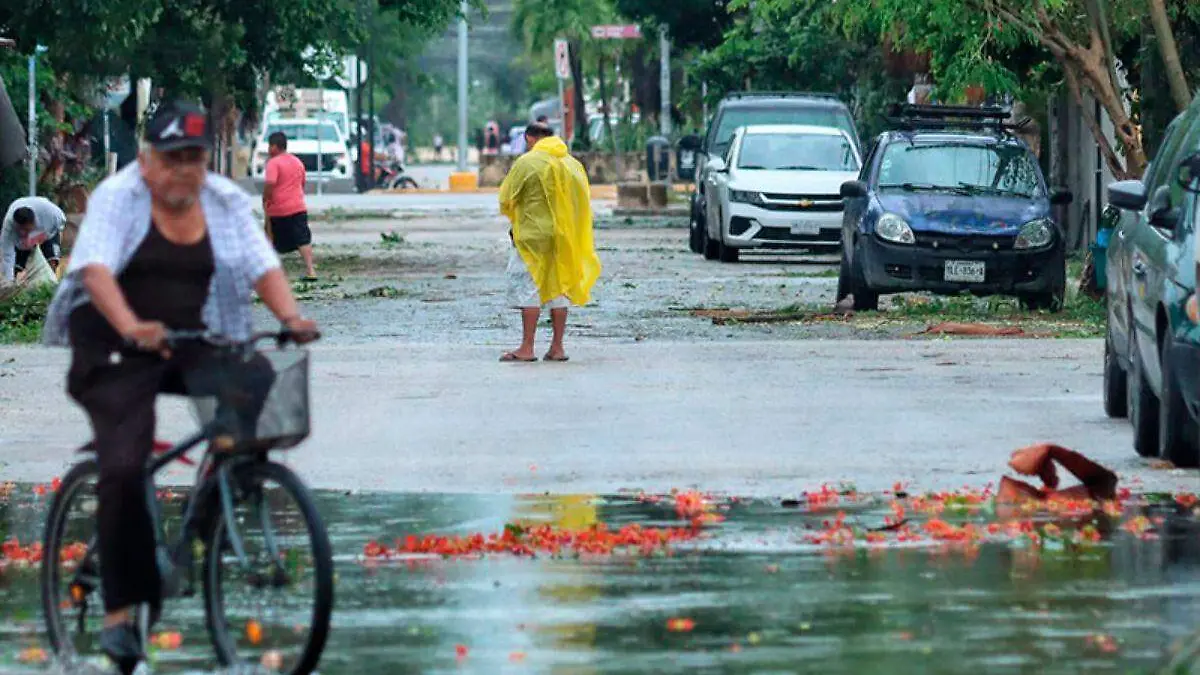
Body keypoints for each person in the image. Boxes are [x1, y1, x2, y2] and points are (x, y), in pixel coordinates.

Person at [41, 100, 318, 674]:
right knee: (124, 464)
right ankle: (120, 614)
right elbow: (94, 268)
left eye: (193, 158)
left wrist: (291, 317)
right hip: (112, 340)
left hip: (187, 334)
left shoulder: (223, 201)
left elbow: (262, 264)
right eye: (172, 158)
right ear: (148, 160)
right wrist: (130, 325)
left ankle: (215, 502)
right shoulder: (120, 196)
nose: (183, 171)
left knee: (256, 377)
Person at [498, 122, 601, 362]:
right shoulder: (571, 164)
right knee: (559, 287)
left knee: (529, 287)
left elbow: (506, 198)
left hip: (532, 234)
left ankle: (527, 348)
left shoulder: (527, 162)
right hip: (563, 235)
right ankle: (557, 347)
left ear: (529, 138)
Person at [263, 131, 316, 280]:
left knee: (271, 238)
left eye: (270, 146)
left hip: (278, 209)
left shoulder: (273, 163)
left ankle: (272, 271)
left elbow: (270, 183)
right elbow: (302, 182)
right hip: (298, 207)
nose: (268, 149)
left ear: (275, 146)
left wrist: (266, 198)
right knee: (303, 239)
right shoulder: (297, 162)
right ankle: (311, 270)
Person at [1, 196, 66, 283]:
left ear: (34, 222)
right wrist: (9, 281)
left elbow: (62, 222)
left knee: (52, 261)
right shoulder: (9, 227)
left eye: (26, 230)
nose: (23, 233)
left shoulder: (51, 214)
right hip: (21, 240)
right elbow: (7, 256)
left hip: (47, 231)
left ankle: (50, 284)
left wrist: (44, 236)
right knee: (16, 267)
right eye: (21, 230)